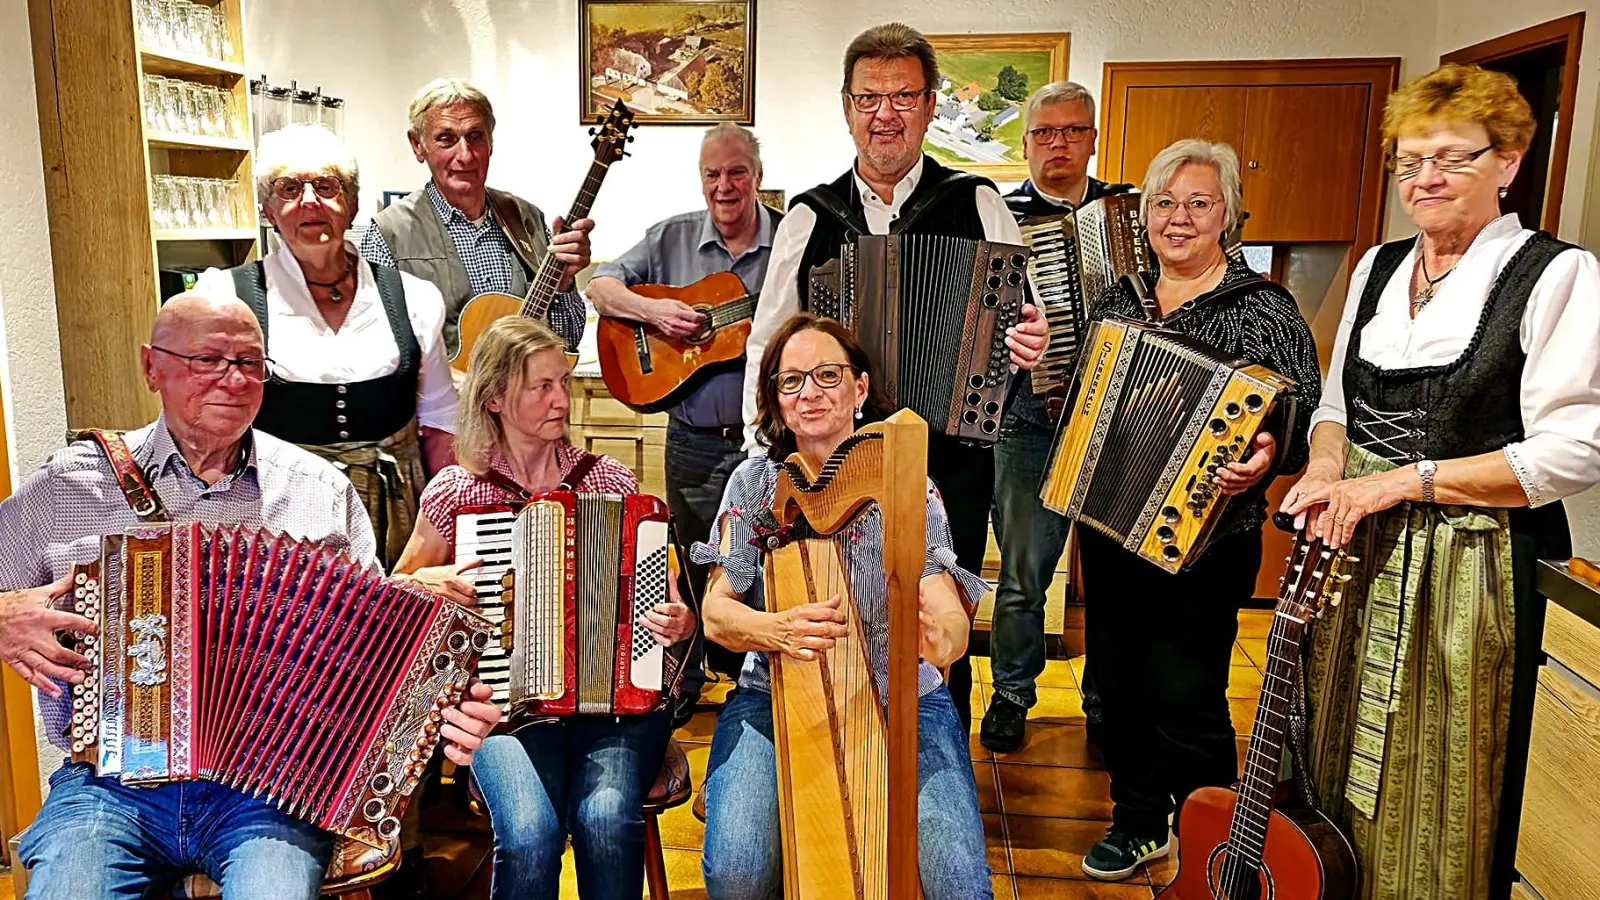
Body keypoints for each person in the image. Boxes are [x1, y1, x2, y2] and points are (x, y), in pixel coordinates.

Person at [2, 291, 500, 899]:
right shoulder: (71, 486)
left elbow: (377, 657)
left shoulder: (319, 489)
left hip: (273, 790)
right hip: (108, 788)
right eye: (208, 360)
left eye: (249, 362)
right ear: (151, 366)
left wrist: (443, 705)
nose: (234, 380)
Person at [1280, 64, 1600, 900]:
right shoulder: (1379, 267)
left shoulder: (1556, 274)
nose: (1426, 178)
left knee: (1434, 762)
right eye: (1410, 161)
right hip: (1352, 547)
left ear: (1509, 161)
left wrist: (1400, 483)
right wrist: (1327, 466)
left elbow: (1574, 450)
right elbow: (1337, 403)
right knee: (1330, 733)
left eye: (1453, 158)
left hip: (1470, 560)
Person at [742, 22, 1051, 731]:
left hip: (951, 462)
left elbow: (1022, 322)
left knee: (939, 630)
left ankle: (937, 764)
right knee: (834, 616)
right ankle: (840, 767)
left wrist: (1028, 342)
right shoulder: (809, 217)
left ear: (931, 104)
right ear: (847, 107)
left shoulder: (977, 202)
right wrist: (763, 456)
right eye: (869, 98)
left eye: (904, 97)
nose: (886, 114)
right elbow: (769, 345)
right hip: (825, 467)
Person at [1077, 139, 1323, 882]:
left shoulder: (1263, 308)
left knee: (1188, 691)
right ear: (1145, 215)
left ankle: (1214, 835)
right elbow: (1087, 397)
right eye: (1164, 203)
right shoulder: (1119, 300)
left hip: (1212, 535)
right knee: (1117, 683)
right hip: (1112, 525)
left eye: (1198, 204)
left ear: (1228, 217)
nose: (1178, 218)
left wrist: (1267, 454)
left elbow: (1303, 412)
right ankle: (1138, 821)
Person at [392, 316, 696, 899]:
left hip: (615, 706)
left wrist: (677, 622)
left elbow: (671, 606)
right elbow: (397, 590)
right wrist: (427, 581)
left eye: (563, 383)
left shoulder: (610, 481)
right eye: (542, 386)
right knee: (530, 834)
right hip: (501, 708)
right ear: (494, 399)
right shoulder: (458, 491)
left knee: (605, 820)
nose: (561, 399)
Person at [697, 313, 992, 899]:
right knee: (736, 873)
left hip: (905, 697)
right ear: (776, 401)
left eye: (827, 375)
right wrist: (776, 629)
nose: (809, 392)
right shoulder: (754, 484)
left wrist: (944, 636)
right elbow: (716, 614)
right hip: (771, 694)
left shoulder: (909, 484)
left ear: (860, 389)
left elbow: (946, 608)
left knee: (958, 885)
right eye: (791, 380)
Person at [194, 124, 457, 569]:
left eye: (327, 186)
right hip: (277, 521)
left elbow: (440, 428)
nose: (310, 201)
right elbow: (204, 428)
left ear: (352, 205)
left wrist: (441, 535)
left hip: (397, 517)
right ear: (268, 209)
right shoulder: (225, 298)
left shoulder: (414, 297)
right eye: (289, 188)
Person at [586, 123, 782, 710]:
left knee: (767, 561)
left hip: (770, 446)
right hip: (693, 441)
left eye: (737, 172)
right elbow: (599, 286)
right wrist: (654, 313)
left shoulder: (791, 240)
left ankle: (758, 683)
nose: (725, 186)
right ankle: (687, 681)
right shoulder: (670, 237)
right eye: (712, 174)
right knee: (695, 560)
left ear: (758, 176)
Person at [983, 80, 1128, 754]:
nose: (1059, 144)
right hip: (1026, 421)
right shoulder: (998, 215)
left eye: (1073, 130)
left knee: (1111, 578)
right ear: (1026, 143)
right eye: (1045, 132)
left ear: (1093, 139)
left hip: (1117, 423)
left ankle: (1105, 702)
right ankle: (1012, 694)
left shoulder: (1127, 212)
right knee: (1022, 575)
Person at [361, 78, 593, 354]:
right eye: (446, 139)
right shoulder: (388, 234)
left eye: (475, 137)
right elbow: (374, 347)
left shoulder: (526, 219)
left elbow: (567, 340)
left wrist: (564, 284)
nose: (465, 155)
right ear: (417, 145)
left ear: (490, 142)